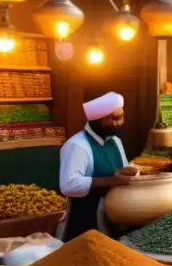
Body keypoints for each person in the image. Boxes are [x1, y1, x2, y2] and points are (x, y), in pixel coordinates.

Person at [58, 92, 137, 241]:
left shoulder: (115, 142)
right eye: (114, 118)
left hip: (114, 215)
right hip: (85, 222)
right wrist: (112, 180)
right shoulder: (77, 145)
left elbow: (121, 171)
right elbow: (69, 185)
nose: (120, 123)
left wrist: (128, 172)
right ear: (97, 120)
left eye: (121, 117)